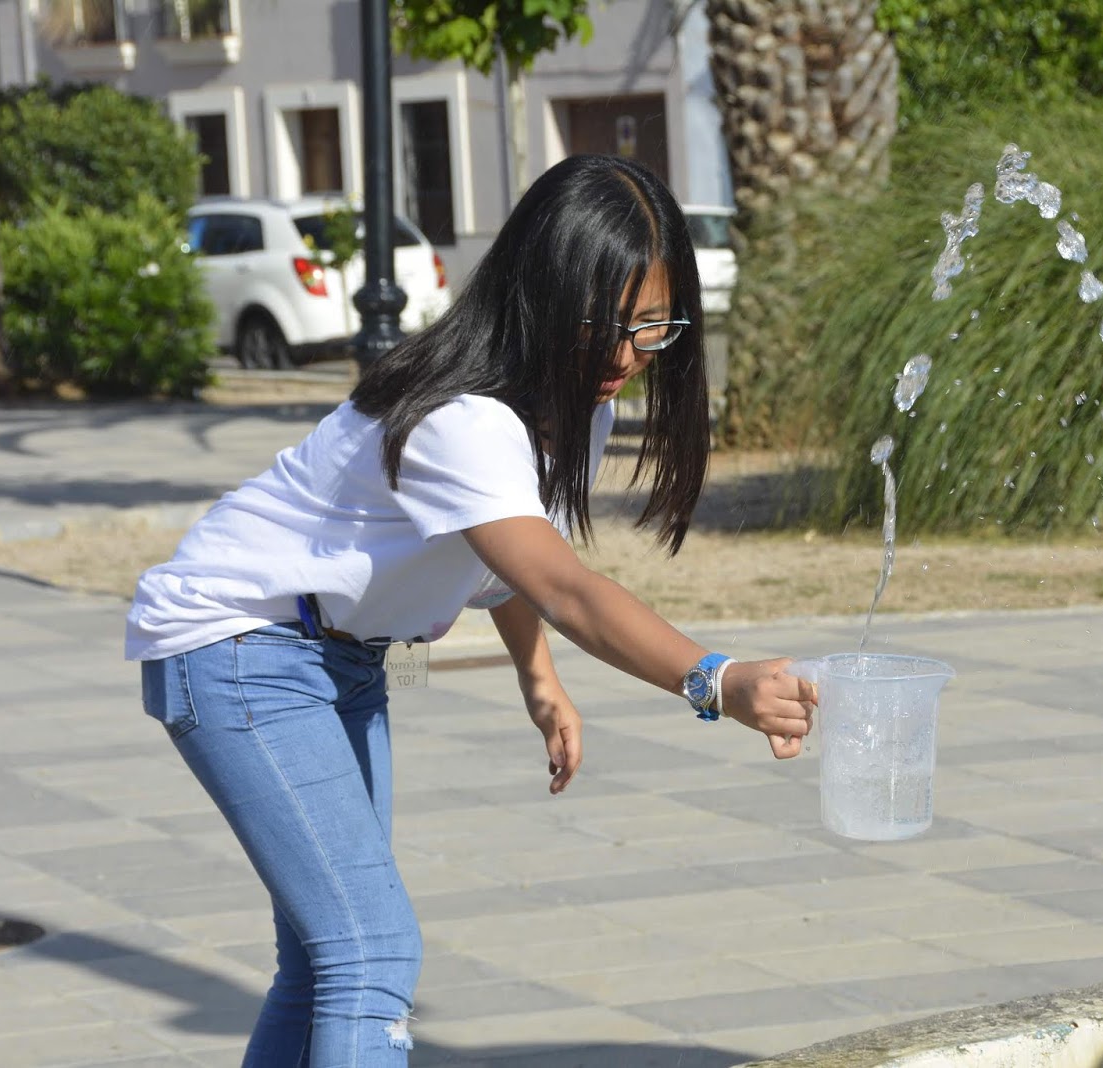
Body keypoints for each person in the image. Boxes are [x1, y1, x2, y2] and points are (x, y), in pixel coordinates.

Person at [124, 154, 817, 1066]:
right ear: (540, 294)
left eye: (651, 326)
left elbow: (511, 560)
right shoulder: (463, 418)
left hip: (338, 658)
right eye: (604, 326)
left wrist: (538, 678)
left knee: (325, 958)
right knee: (370, 951)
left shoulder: (572, 405)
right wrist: (715, 680)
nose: (625, 356)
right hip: (239, 646)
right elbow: (566, 587)